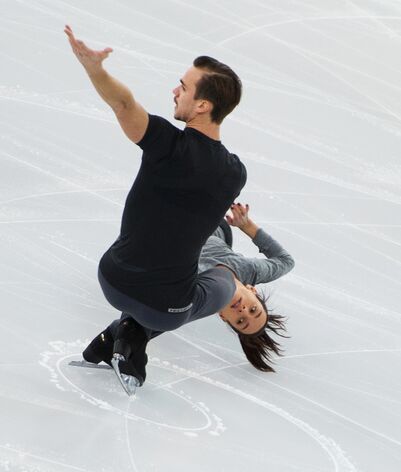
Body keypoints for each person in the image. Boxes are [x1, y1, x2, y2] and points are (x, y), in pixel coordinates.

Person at [64, 26, 248, 392]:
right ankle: (132, 334)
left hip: (112, 278)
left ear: (202, 105)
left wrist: (95, 70)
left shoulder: (166, 143)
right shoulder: (235, 174)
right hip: (161, 309)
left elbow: (123, 105)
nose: (175, 90)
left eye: (184, 85)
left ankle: (118, 337)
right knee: (226, 281)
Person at [84, 202, 295, 383]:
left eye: (240, 320)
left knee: (171, 306)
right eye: (253, 309)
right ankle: (124, 336)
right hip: (209, 221)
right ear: (252, 290)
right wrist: (247, 226)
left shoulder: (197, 297)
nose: (243, 310)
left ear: (223, 316)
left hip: (164, 234)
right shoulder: (250, 271)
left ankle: (122, 338)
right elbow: (286, 261)